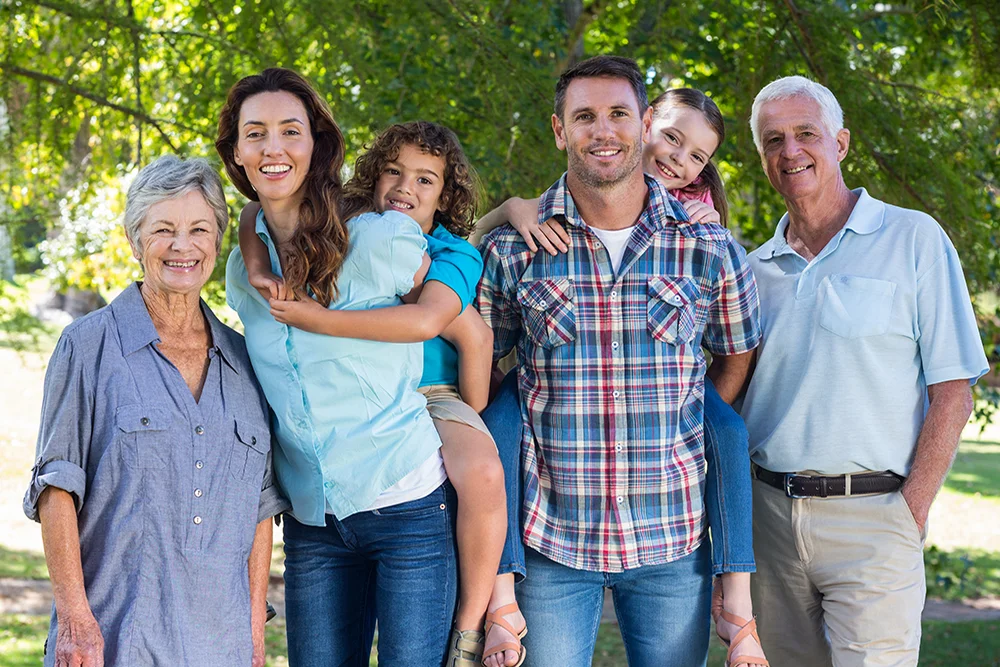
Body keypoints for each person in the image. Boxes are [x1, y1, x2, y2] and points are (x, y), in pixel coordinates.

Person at [476, 55, 762, 665]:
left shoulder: (706, 246)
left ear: (642, 121)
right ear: (560, 130)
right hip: (551, 542)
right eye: (584, 117)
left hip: (672, 541)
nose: (602, 131)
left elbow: (737, 354)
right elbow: (484, 362)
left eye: (617, 114)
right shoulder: (514, 249)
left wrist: (689, 423)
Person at [236, 120, 517, 667]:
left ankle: (473, 624)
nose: (404, 188)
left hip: (434, 394)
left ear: (446, 195)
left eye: (425, 180)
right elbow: (254, 210)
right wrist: (253, 264)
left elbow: (448, 328)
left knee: (482, 473)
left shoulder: (451, 253)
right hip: (357, 418)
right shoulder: (346, 218)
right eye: (393, 171)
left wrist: (316, 320)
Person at [741, 75, 989, 666]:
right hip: (768, 524)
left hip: (875, 520)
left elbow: (953, 391)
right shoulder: (749, 271)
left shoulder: (913, 238)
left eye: (807, 134)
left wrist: (911, 513)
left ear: (842, 144)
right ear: (761, 158)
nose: (791, 151)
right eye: (773, 140)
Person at [217, 68, 458, 666]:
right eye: (256, 134)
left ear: (317, 145)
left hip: (406, 503)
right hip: (312, 519)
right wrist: (249, 233)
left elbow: (456, 286)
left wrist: (512, 212)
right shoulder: (242, 275)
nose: (273, 148)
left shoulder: (379, 240)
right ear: (238, 154)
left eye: (290, 131)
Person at [22, 155, 288, 667]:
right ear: (134, 238)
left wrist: (254, 635)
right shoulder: (87, 346)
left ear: (218, 241)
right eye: (163, 229)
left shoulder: (245, 359)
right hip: (115, 640)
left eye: (198, 229)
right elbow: (56, 487)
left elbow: (259, 510)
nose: (182, 246)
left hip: (223, 646)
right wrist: (75, 622)